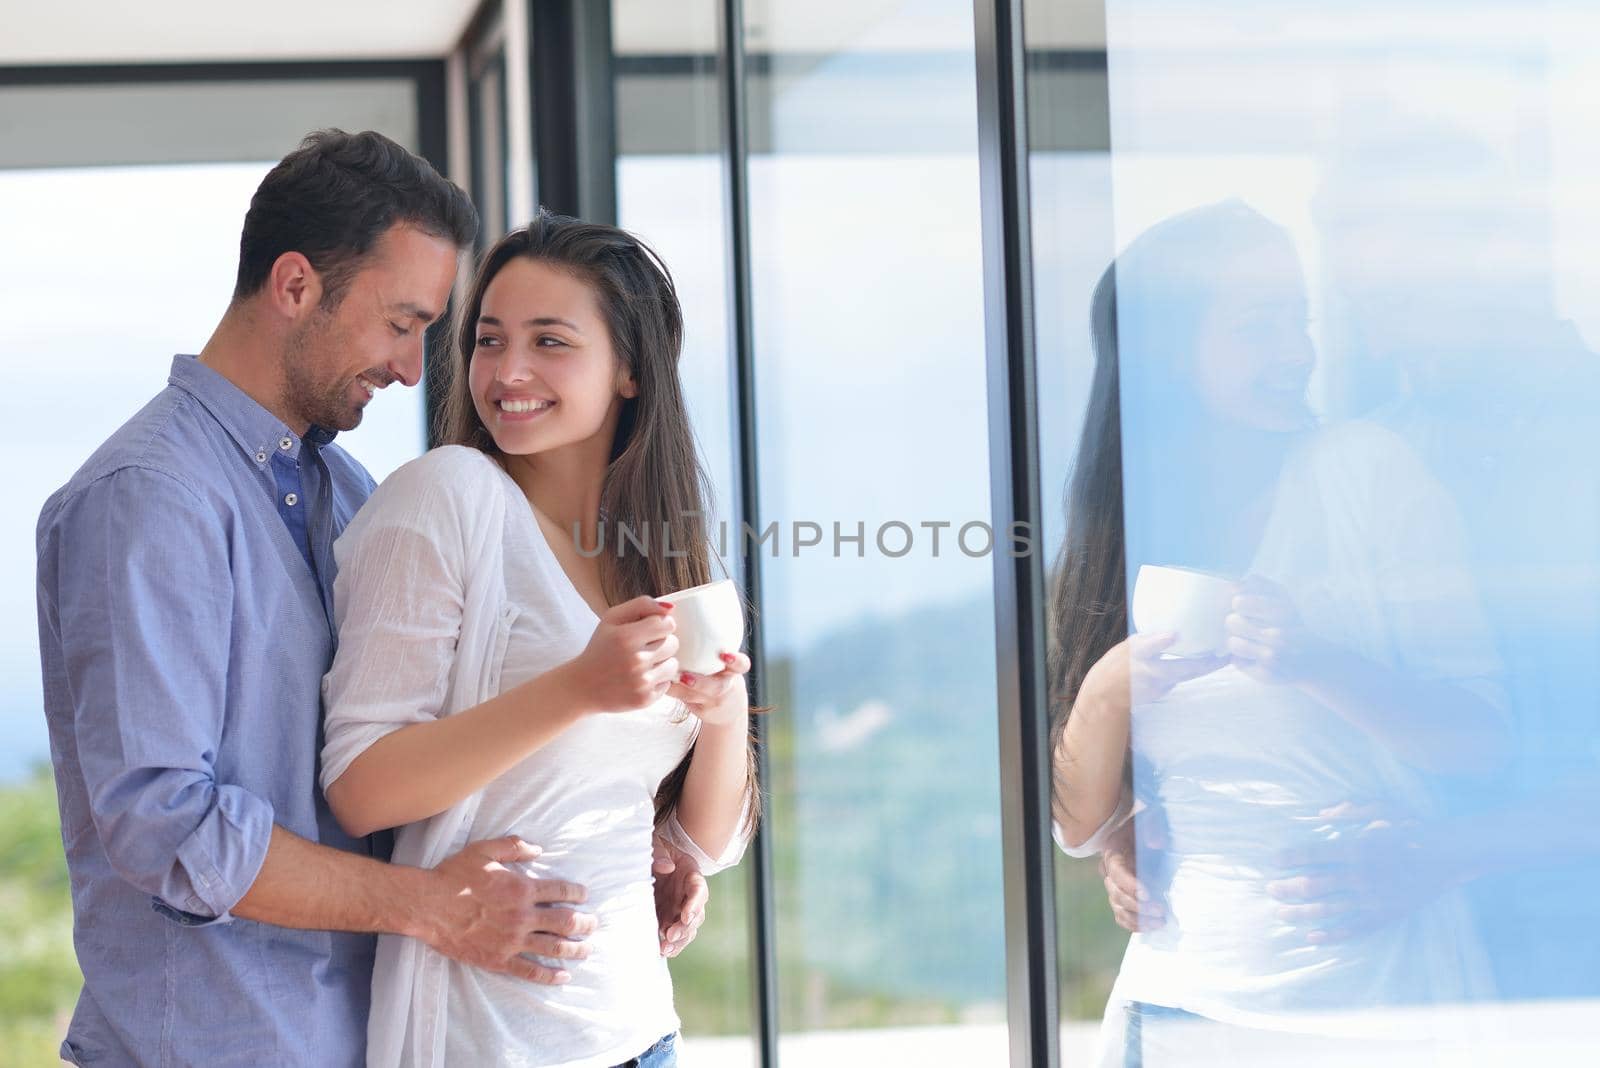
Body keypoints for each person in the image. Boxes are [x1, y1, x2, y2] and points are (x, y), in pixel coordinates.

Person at [34, 130, 707, 1068]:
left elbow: (413, 754)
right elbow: (166, 825)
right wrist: (431, 908)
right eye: (402, 322)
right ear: (297, 286)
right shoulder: (151, 497)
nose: (410, 366)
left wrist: (619, 848)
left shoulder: (347, 491)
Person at [1046, 201, 1509, 1065]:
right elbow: (1076, 825)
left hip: (1371, 1008)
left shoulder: (1366, 473)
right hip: (1176, 1006)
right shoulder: (1126, 525)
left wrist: (1314, 661)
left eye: (1298, 320)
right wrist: (1108, 689)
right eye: (1258, 327)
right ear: (1168, 355)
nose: (1297, 352)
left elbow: (1478, 741)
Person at [319, 212, 761, 1068]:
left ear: (629, 368)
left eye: (549, 341)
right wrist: (579, 688)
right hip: (487, 1041)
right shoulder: (446, 497)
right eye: (489, 340)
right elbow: (360, 786)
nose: (508, 372)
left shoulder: (657, 549)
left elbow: (709, 845)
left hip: (641, 1032)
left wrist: (722, 710)